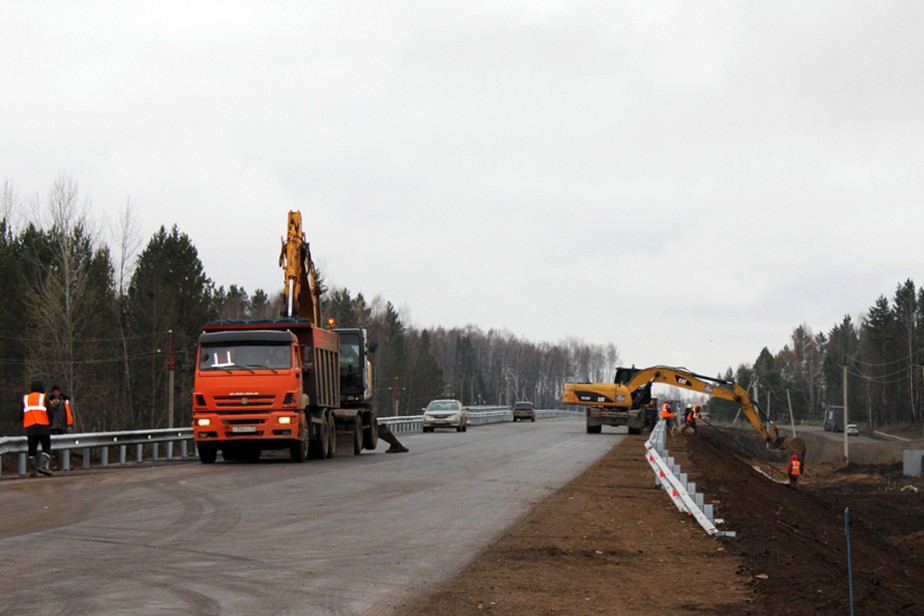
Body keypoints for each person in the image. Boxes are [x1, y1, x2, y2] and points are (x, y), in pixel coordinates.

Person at [22, 380, 53, 476]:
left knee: (32, 449)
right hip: (43, 427)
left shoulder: (26, 398)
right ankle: (42, 466)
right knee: (46, 446)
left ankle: (32, 470)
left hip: (30, 428)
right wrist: (50, 424)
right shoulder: (43, 397)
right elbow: (50, 412)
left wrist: (25, 424)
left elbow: (21, 414)